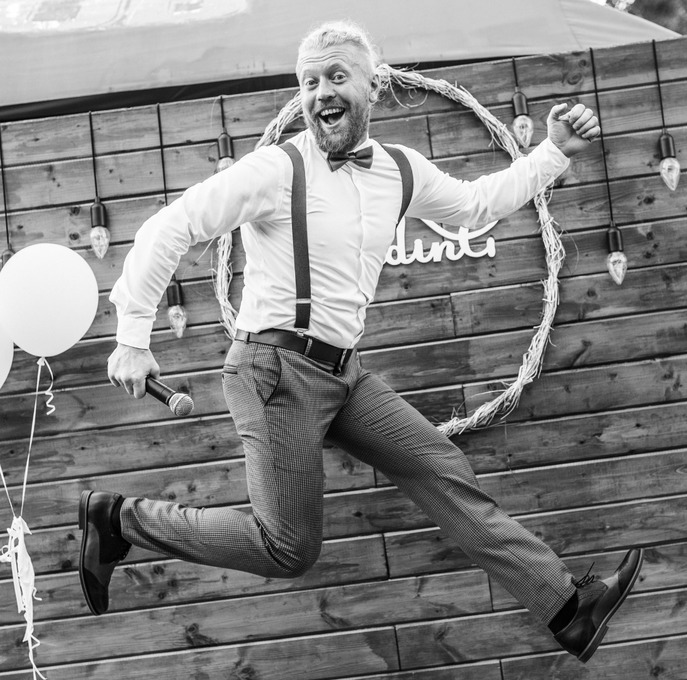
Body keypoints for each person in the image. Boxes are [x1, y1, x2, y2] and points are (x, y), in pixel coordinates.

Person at [79, 20, 643, 663]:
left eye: (337, 76)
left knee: (438, 466)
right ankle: (119, 521)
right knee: (289, 549)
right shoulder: (277, 168)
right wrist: (132, 336)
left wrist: (552, 152)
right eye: (309, 81)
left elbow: (476, 206)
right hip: (274, 371)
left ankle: (568, 609)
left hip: (342, 373)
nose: (321, 91)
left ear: (373, 86)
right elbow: (170, 227)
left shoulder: (398, 169)